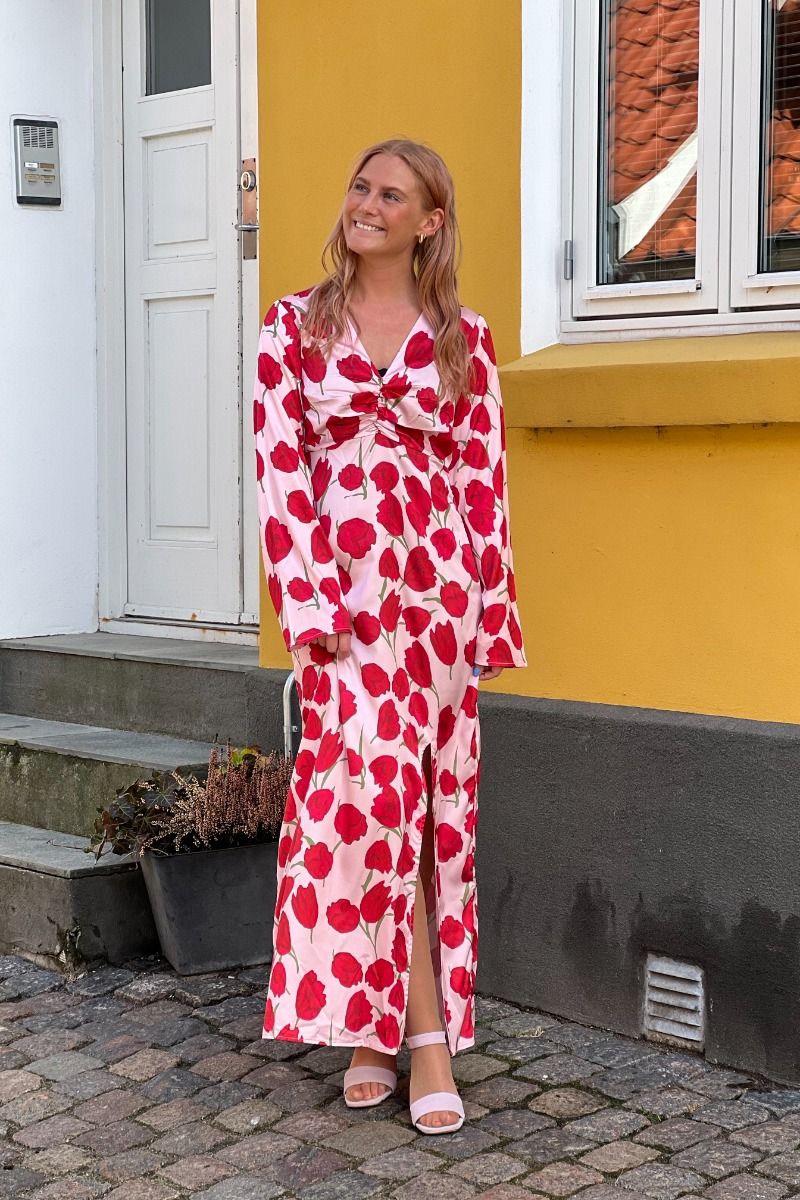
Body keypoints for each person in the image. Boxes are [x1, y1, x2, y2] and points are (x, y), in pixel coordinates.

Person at [252, 137, 527, 1134]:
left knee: (427, 811)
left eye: (392, 194)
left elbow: (483, 481)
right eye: (361, 187)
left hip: (437, 601)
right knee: (370, 806)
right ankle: (427, 1039)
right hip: (347, 609)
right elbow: (280, 472)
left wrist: (490, 613)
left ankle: (374, 1032)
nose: (367, 204)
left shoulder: (464, 337)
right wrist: (310, 609)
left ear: (429, 221)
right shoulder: (293, 327)